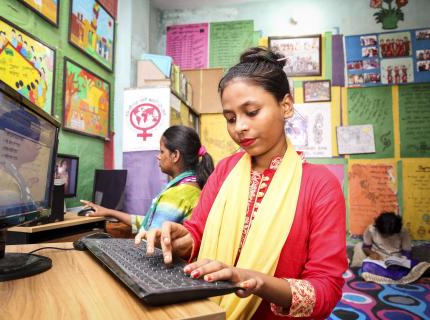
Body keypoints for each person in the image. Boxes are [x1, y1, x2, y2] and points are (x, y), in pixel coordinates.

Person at [136, 47, 347, 319]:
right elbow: (197, 233)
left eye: (252, 112)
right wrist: (179, 240)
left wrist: (255, 280)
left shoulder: (320, 185)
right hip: (206, 311)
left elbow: (325, 290)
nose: (239, 127)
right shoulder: (225, 170)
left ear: (286, 105)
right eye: (231, 118)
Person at [82, 125, 214, 234]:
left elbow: (151, 235)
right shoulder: (194, 187)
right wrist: (109, 211)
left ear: (175, 156)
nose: (158, 157)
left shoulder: (177, 194)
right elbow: (149, 222)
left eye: (162, 152)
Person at [360, 212, 430, 284]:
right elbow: (366, 247)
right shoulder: (371, 230)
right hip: (379, 260)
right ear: (378, 226)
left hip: (397, 259)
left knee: (424, 266)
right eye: (385, 234)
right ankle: (411, 280)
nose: (388, 235)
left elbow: (407, 251)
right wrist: (371, 253)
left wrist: (403, 260)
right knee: (367, 267)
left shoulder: (402, 231)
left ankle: (407, 279)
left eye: (391, 234)